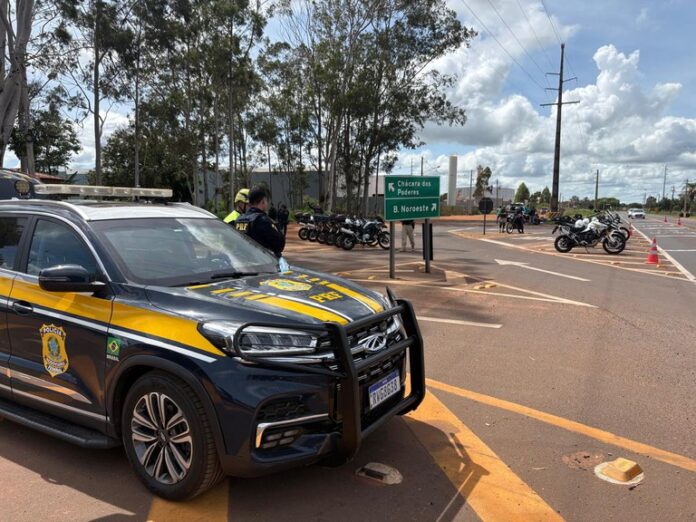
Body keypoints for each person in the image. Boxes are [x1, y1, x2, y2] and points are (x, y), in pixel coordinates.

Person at [234, 186, 285, 257]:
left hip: (243, 260)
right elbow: (279, 245)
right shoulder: (263, 220)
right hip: (261, 261)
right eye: (266, 201)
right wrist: (276, 225)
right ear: (263, 201)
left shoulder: (239, 219)